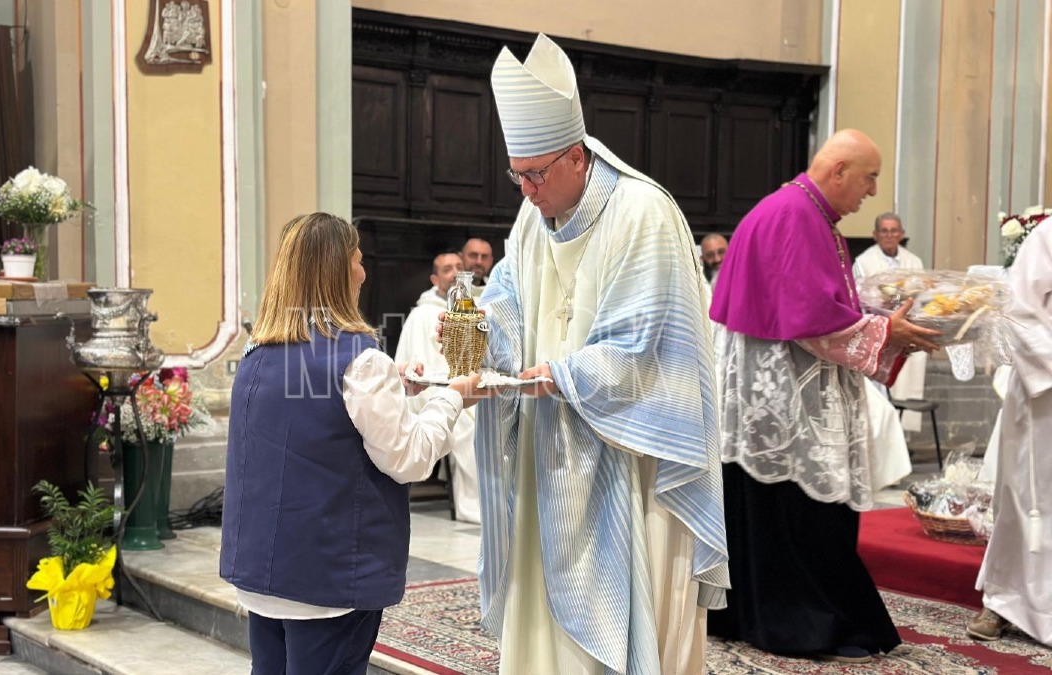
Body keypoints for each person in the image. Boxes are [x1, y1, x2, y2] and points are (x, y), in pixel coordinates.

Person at [475, 34, 728, 674]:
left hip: (635, 452)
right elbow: (506, 295)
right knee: (543, 581)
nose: (526, 190)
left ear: (578, 158)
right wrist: (477, 343)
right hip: (551, 436)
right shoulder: (530, 218)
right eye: (517, 174)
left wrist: (562, 375)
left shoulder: (643, 211)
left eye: (536, 174)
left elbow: (646, 343)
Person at [707, 129, 941, 663]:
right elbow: (810, 320)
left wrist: (877, 320)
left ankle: (750, 614)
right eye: (869, 177)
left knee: (766, 510)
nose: (872, 192)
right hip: (786, 397)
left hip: (775, 390)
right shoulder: (795, 215)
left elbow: (819, 305)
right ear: (838, 170)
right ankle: (804, 624)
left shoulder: (804, 212)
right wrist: (888, 333)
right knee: (799, 513)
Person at [219, 213, 489, 674]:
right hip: (327, 577)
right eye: (357, 260)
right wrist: (453, 396)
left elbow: (313, 415)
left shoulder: (255, 354)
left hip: (263, 572)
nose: (363, 271)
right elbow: (408, 459)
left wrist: (395, 385)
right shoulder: (358, 359)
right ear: (337, 270)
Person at [969, 218, 1052, 646]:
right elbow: (1020, 310)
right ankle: (1003, 601)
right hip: (1046, 393)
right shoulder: (1047, 235)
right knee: (1025, 497)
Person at [395, 251, 481, 524]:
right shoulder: (422, 315)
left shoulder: (475, 306)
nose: (455, 273)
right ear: (435, 278)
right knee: (470, 427)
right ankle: (480, 506)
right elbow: (420, 366)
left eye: (459, 267)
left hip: (469, 383)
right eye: (447, 269)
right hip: (434, 389)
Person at [854, 212, 929, 434]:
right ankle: (883, 435)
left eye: (894, 231)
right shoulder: (864, 262)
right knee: (881, 389)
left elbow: (922, 292)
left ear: (902, 234)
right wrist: (891, 299)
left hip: (908, 325)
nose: (889, 235)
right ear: (875, 235)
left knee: (909, 379)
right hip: (881, 329)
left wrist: (903, 298)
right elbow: (860, 296)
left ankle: (903, 435)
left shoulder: (913, 261)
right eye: (884, 231)